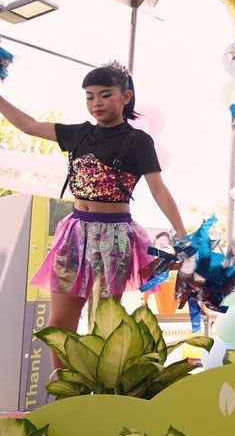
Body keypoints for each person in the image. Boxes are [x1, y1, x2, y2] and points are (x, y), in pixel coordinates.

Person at [2, 64, 187, 362]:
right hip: (74, 234)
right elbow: (29, 125)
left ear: (126, 97)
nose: (96, 103)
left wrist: (182, 233)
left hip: (113, 238)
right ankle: (63, 386)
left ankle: (97, 388)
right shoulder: (78, 133)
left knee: (103, 326)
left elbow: (159, 189)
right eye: (89, 97)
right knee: (58, 326)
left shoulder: (138, 141)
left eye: (105, 95)